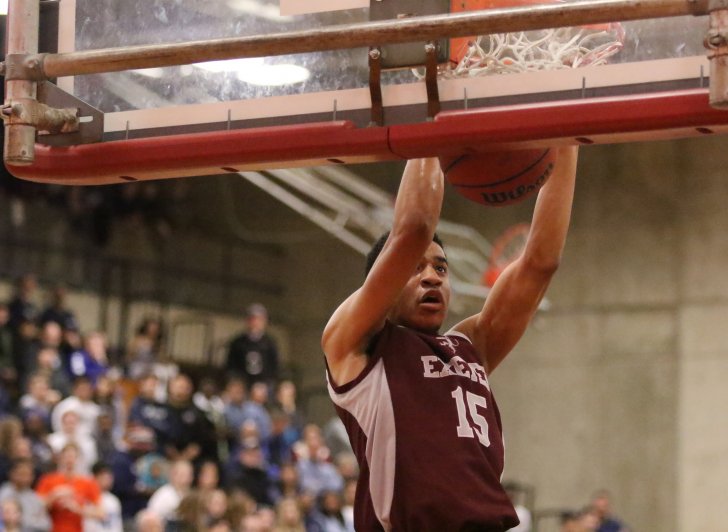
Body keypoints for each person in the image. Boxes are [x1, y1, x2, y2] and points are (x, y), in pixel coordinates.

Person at [321, 150, 578, 531]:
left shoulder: (469, 346)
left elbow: (540, 263)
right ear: (383, 283)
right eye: (415, 267)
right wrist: (431, 130)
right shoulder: (354, 344)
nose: (432, 277)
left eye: (441, 267)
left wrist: (566, 141)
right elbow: (413, 229)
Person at [35, 443, 104, 532]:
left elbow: (101, 513)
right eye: (66, 457)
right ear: (60, 459)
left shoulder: (87, 482)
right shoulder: (48, 480)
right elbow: (36, 507)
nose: (69, 460)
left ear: (78, 459)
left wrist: (77, 508)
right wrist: (54, 495)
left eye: (73, 457)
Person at [225, 304, 280, 388]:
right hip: (242, 386)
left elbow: (274, 368)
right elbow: (231, 366)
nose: (255, 323)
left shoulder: (270, 343)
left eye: (259, 320)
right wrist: (237, 382)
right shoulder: (238, 342)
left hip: (263, 387)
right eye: (252, 319)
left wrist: (265, 384)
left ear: (264, 322)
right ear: (248, 321)